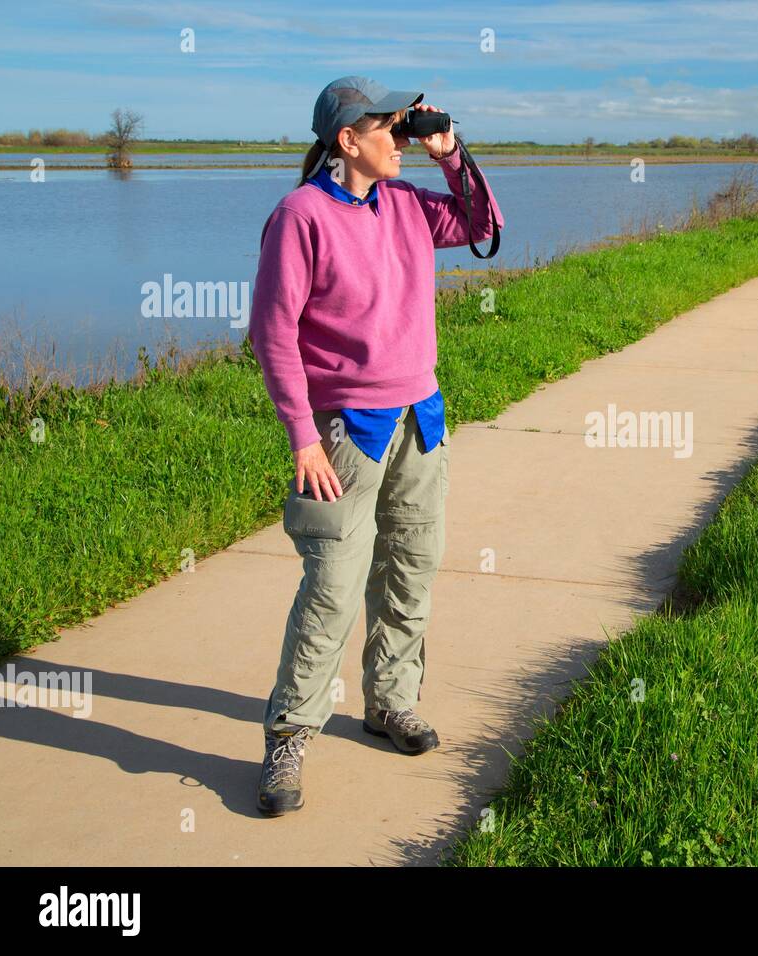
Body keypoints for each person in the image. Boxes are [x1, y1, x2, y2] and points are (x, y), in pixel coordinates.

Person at [246, 75, 504, 816]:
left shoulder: (408, 206)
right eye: (390, 128)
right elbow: (272, 334)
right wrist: (302, 437)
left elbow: (482, 224)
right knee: (331, 587)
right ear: (347, 139)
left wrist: (449, 150)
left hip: (420, 420)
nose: (402, 139)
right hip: (344, 434)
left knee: (410, 570)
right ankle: (290, 734)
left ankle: (390, 703)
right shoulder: (301, 216)